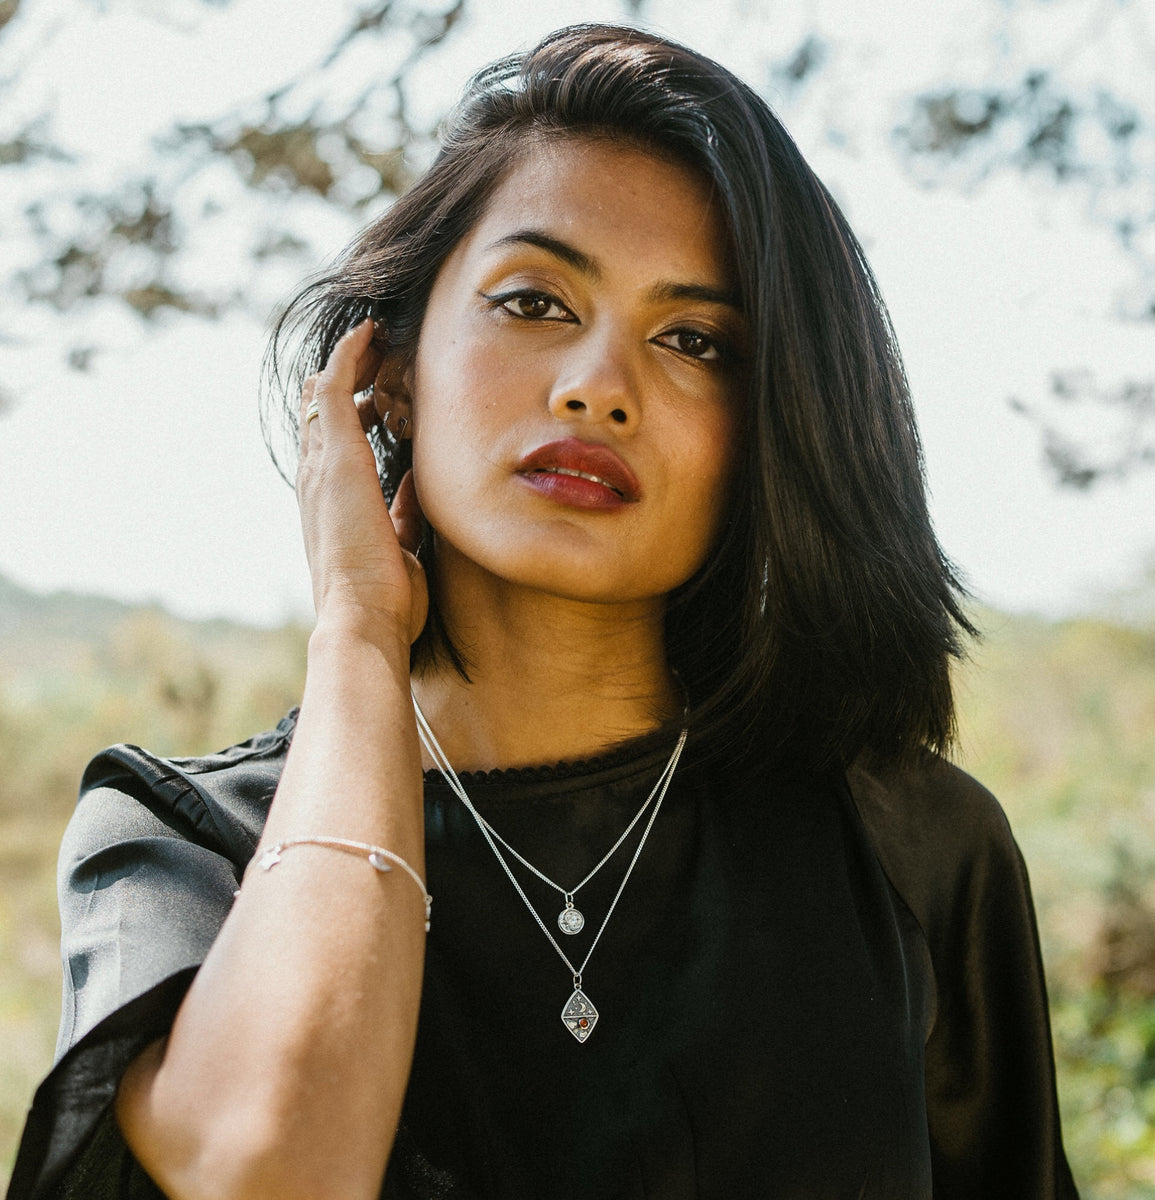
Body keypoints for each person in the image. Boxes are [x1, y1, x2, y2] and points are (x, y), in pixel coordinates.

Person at [8, 23, 1078, 1200]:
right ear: (392, 373)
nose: (597, 387)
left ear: (771, 427)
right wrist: (358, 634)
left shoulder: (911, 844)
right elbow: (275, 1166)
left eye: (693, 340)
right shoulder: (186, 846)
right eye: (534, 302)